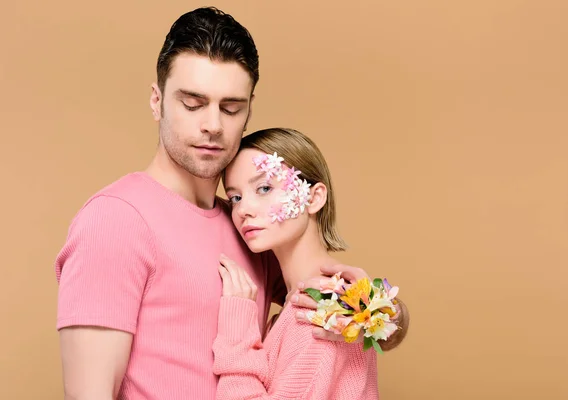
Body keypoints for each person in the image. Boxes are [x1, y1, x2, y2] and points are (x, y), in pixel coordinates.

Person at [54, 6, 409, 400]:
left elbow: (324, 331)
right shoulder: (115, 221)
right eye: (192, 103)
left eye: (231, 108)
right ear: (157, 102)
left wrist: (382, 311)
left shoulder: (248, 225)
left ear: (248, 111)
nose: (213, 125)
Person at [213, 127, 390, 399]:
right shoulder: (331, 304)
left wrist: (237, 332)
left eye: (264, 188)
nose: (243, 209)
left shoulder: (321, 312)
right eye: (235, 197)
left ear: (315, 197)